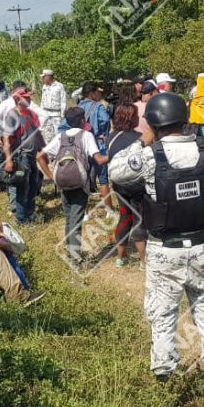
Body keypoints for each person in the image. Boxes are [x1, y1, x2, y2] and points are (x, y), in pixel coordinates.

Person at [107, 92, 204, 393]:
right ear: (184, 119)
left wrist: (143, 139)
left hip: (164, 249)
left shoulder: (150, 155)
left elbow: (115, 170)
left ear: (152, 123)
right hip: (201, 245)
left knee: (162, 315)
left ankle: (164, 382)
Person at [38, 107, 107, 266]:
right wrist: (116, 154)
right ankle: (75, 258)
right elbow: (99, 159)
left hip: (63, 182)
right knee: (76, 220)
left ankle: (71, 252)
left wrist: (51, 176)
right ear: (83, 121)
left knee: (69, 218)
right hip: (80, 183)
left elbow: (40, 156)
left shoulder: (60, 137)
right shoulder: (86, 135)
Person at [105, 103, 148, 267]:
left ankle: (121, 257)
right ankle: (144, 261)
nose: (138, 117)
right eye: (136, 115)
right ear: (130, 118)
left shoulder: (111, 136)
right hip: (136, 185)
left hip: (118, 184)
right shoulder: (139, 137)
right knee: (139, 219)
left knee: (124, 217)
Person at [2, 87, 45, 224]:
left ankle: (30, 214)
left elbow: (37, 134)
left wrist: (43, 150)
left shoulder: (31, 114)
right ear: (17, 99)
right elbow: (6, 139)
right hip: (21, 158)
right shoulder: (12, 115)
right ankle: (21, 218)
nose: (29, 99)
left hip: (32, 156)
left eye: (29, 97)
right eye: (26, 97)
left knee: (33, 185)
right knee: (22, 186)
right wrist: (8, 160)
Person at [79, 81, 113, 207]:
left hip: (83, 144)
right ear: (91, 93)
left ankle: (84, 209)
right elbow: (105, 120)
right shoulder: (98, 106)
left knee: (84, 177)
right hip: (98, 144)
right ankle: (109, 209)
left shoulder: (78, 106)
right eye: (97, 92)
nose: (99, 94)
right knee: (103, 179)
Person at [40, 68, 68, 143]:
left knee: (58, 135)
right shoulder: (44, 86)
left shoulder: (59, 86)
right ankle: (49, 149)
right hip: (46, 114)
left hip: (56, 115)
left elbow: (63, 101)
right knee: (47, 136)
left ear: (49, 76)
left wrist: (62, 115)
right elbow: (42, 100)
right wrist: (41, 114)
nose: (43, 79)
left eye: (44, 77)